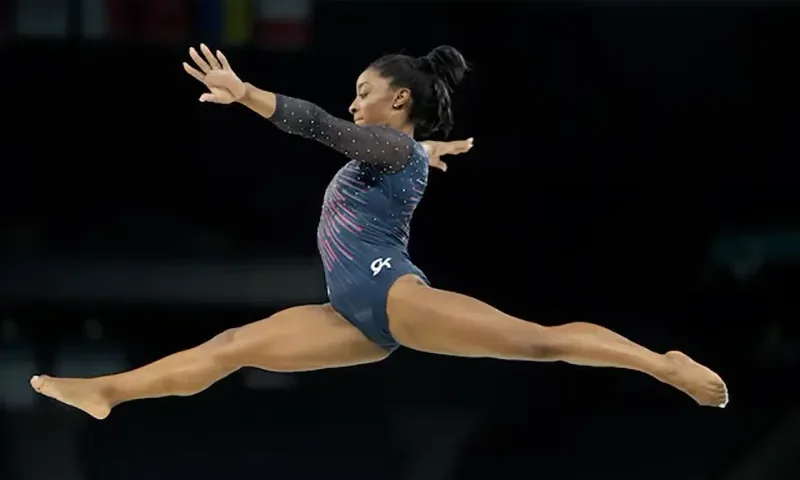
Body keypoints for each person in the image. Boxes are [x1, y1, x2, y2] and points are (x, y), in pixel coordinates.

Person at [30, 44, 728, 420]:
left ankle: (661, 363)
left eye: (364, 90)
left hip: (388, 291)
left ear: (398, 99)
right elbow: (398, 152)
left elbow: (320, 127)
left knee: (537, 343)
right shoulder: (398, 149)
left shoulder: (385, 144)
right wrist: (433, 150)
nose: (353, 100)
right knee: (231, 348)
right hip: (353, 317)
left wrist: (245, 93)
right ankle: (108, 392)